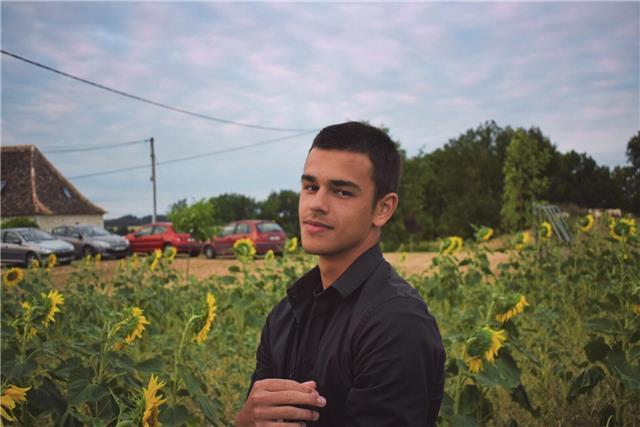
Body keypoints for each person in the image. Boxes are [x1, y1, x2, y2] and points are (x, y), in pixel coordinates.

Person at [235, 121, 445, 426]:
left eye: (342, 192)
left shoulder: (396, 323)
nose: (317, 204)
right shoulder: (286, 313)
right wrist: (244, 421)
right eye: (310, 187)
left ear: (383, 209)